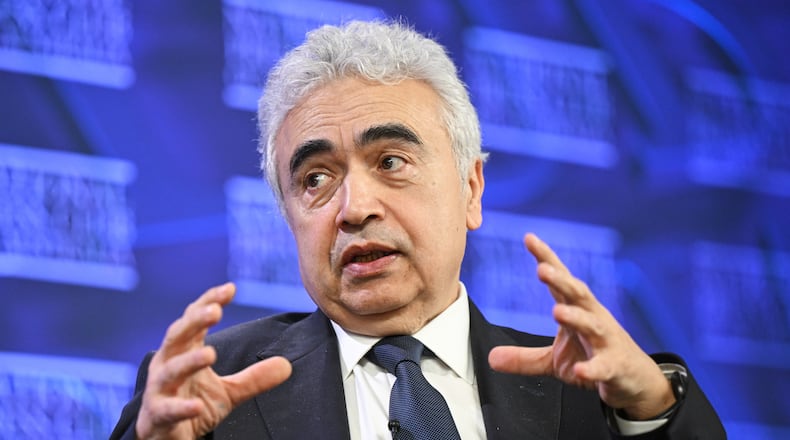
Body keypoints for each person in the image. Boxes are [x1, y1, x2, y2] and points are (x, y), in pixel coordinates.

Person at [111, 20, 725, 439]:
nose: (353, 208)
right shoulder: (206, 393)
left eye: (391, 162)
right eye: (316, 179)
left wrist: (651, 410)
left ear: (471, 188)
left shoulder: (590, 395)